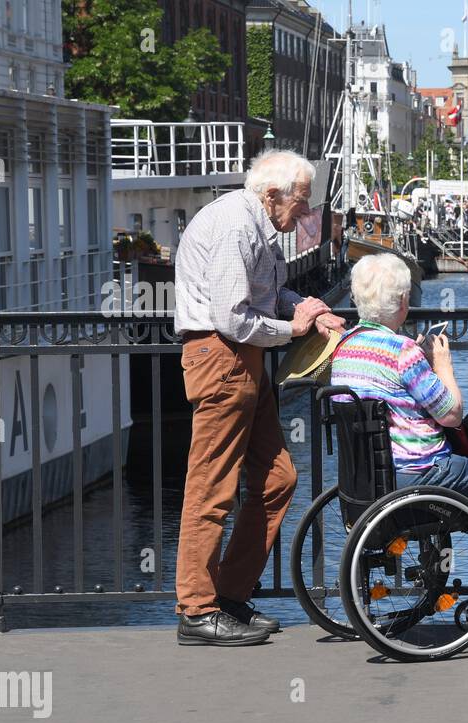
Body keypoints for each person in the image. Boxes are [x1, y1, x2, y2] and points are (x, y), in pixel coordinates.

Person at [173, 149, 345, 647]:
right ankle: (197, 609)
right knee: (212, 487)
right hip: (222, 356)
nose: (306, 213)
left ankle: (226, 596)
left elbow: (266, 295)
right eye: (302, 201)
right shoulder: (235, 226)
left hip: (243, 359)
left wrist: (310, 309)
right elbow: (232, 316)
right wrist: (291, 328)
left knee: (278, 480)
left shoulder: (259, 226)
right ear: (272, 195)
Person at [332, 254, 468, 614]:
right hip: (423, 475)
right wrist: (441, 365)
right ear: (401, 301)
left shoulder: (344, 349)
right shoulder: (401, 351)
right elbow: (451, 414)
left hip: (370, 480)